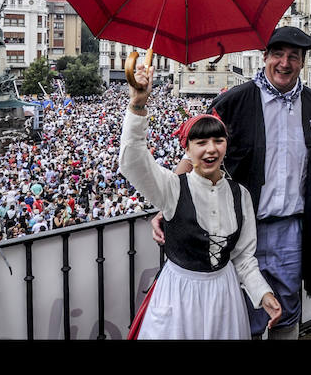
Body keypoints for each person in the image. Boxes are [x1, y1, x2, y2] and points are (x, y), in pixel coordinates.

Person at [153, 26, 311, 339]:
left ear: (302, 63)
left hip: (293, 232)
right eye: (278, 55)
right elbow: (196, 153)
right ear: (265, 56)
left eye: (293, 57)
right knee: (241, 311)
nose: (285, 63)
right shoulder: (234, 102)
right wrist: (169, 202)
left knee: (286, 311)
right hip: (241, 228)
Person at [120, 62, 281, 339]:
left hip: (224, 295)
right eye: (201, 143)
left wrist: (262, 293)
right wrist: (138, 105)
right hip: (179, 294)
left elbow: (243, 258)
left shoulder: (239, 195)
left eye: (218, 140)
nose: (211, 149)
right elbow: (133, 161)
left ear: (226, 145)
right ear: (187, 149)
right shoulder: (172, 188)